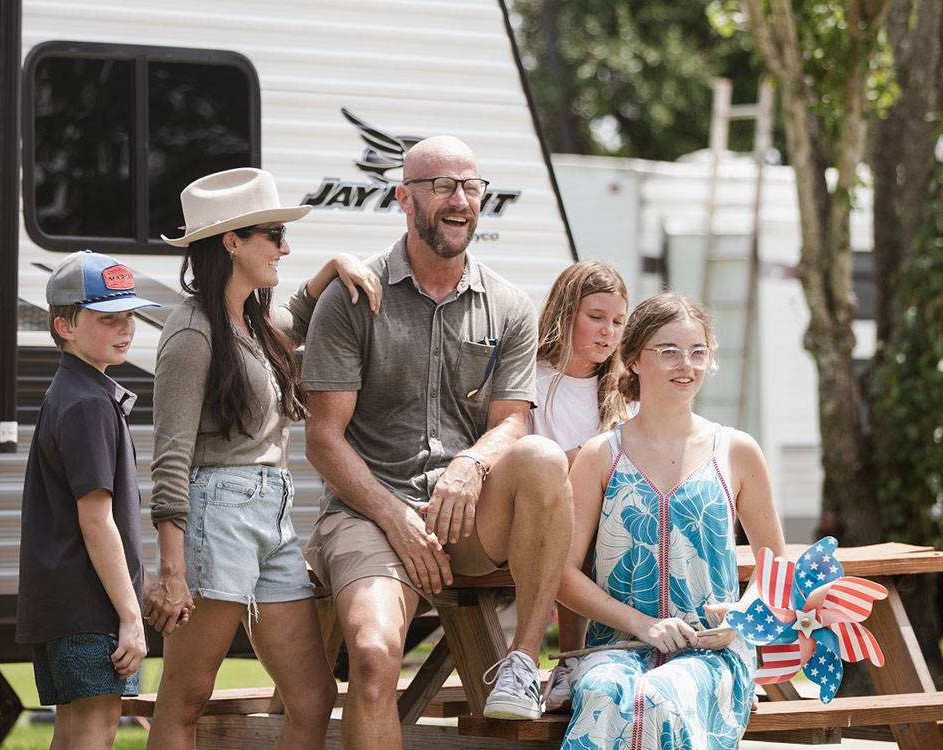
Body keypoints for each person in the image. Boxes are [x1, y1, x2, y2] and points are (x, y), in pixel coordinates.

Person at [302, 135, 573, 748]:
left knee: (542, 457)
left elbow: (512, 421)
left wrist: (472, 465)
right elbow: (323, 439)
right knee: (371, 659)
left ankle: (524, 663)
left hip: (465, 514)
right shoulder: (353, 297)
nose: (459, 200)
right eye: (441, 186)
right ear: (403, 197)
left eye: (470, 186)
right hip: (368, 513)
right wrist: (395, 517)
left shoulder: (508, 305)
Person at [144, 167, 382, 750]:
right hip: (215, 516)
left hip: (272, 519)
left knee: (313, 697)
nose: (285, 246)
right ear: (232, 242)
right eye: (273, 233)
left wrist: (336, 265)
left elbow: (296, 317)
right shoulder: (192, 332)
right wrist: (172, 573)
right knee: (187, 697)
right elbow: (170, 458)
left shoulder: (251, 320)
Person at [558, 292, 787, 749]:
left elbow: (776, 568)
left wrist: (742, 620)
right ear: (635, 360)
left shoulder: (736, 450)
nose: (687, 365)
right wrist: (643, 626)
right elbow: (562, 575)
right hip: (616, 647)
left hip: (713, 653)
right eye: (668, 351)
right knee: (604, 695)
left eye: (697, 351)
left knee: (665, 696)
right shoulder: (600, 455)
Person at [16, 250, 160, 750]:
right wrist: (129, 615)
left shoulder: (69, 391)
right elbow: (96, 520)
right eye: (107, 319)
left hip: (64, 601)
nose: (125, 329)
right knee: (95, 731)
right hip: (91, 606)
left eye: (129, 316)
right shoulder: (88, 404)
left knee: (73, 732)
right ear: (65, 325)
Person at [529, 260, 629, 713]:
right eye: (596, 317)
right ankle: (571, 658)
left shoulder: (622, 393)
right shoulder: (531, 378)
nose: (608, 332)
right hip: (544, 519)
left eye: (618, 322)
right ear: (566, 312)